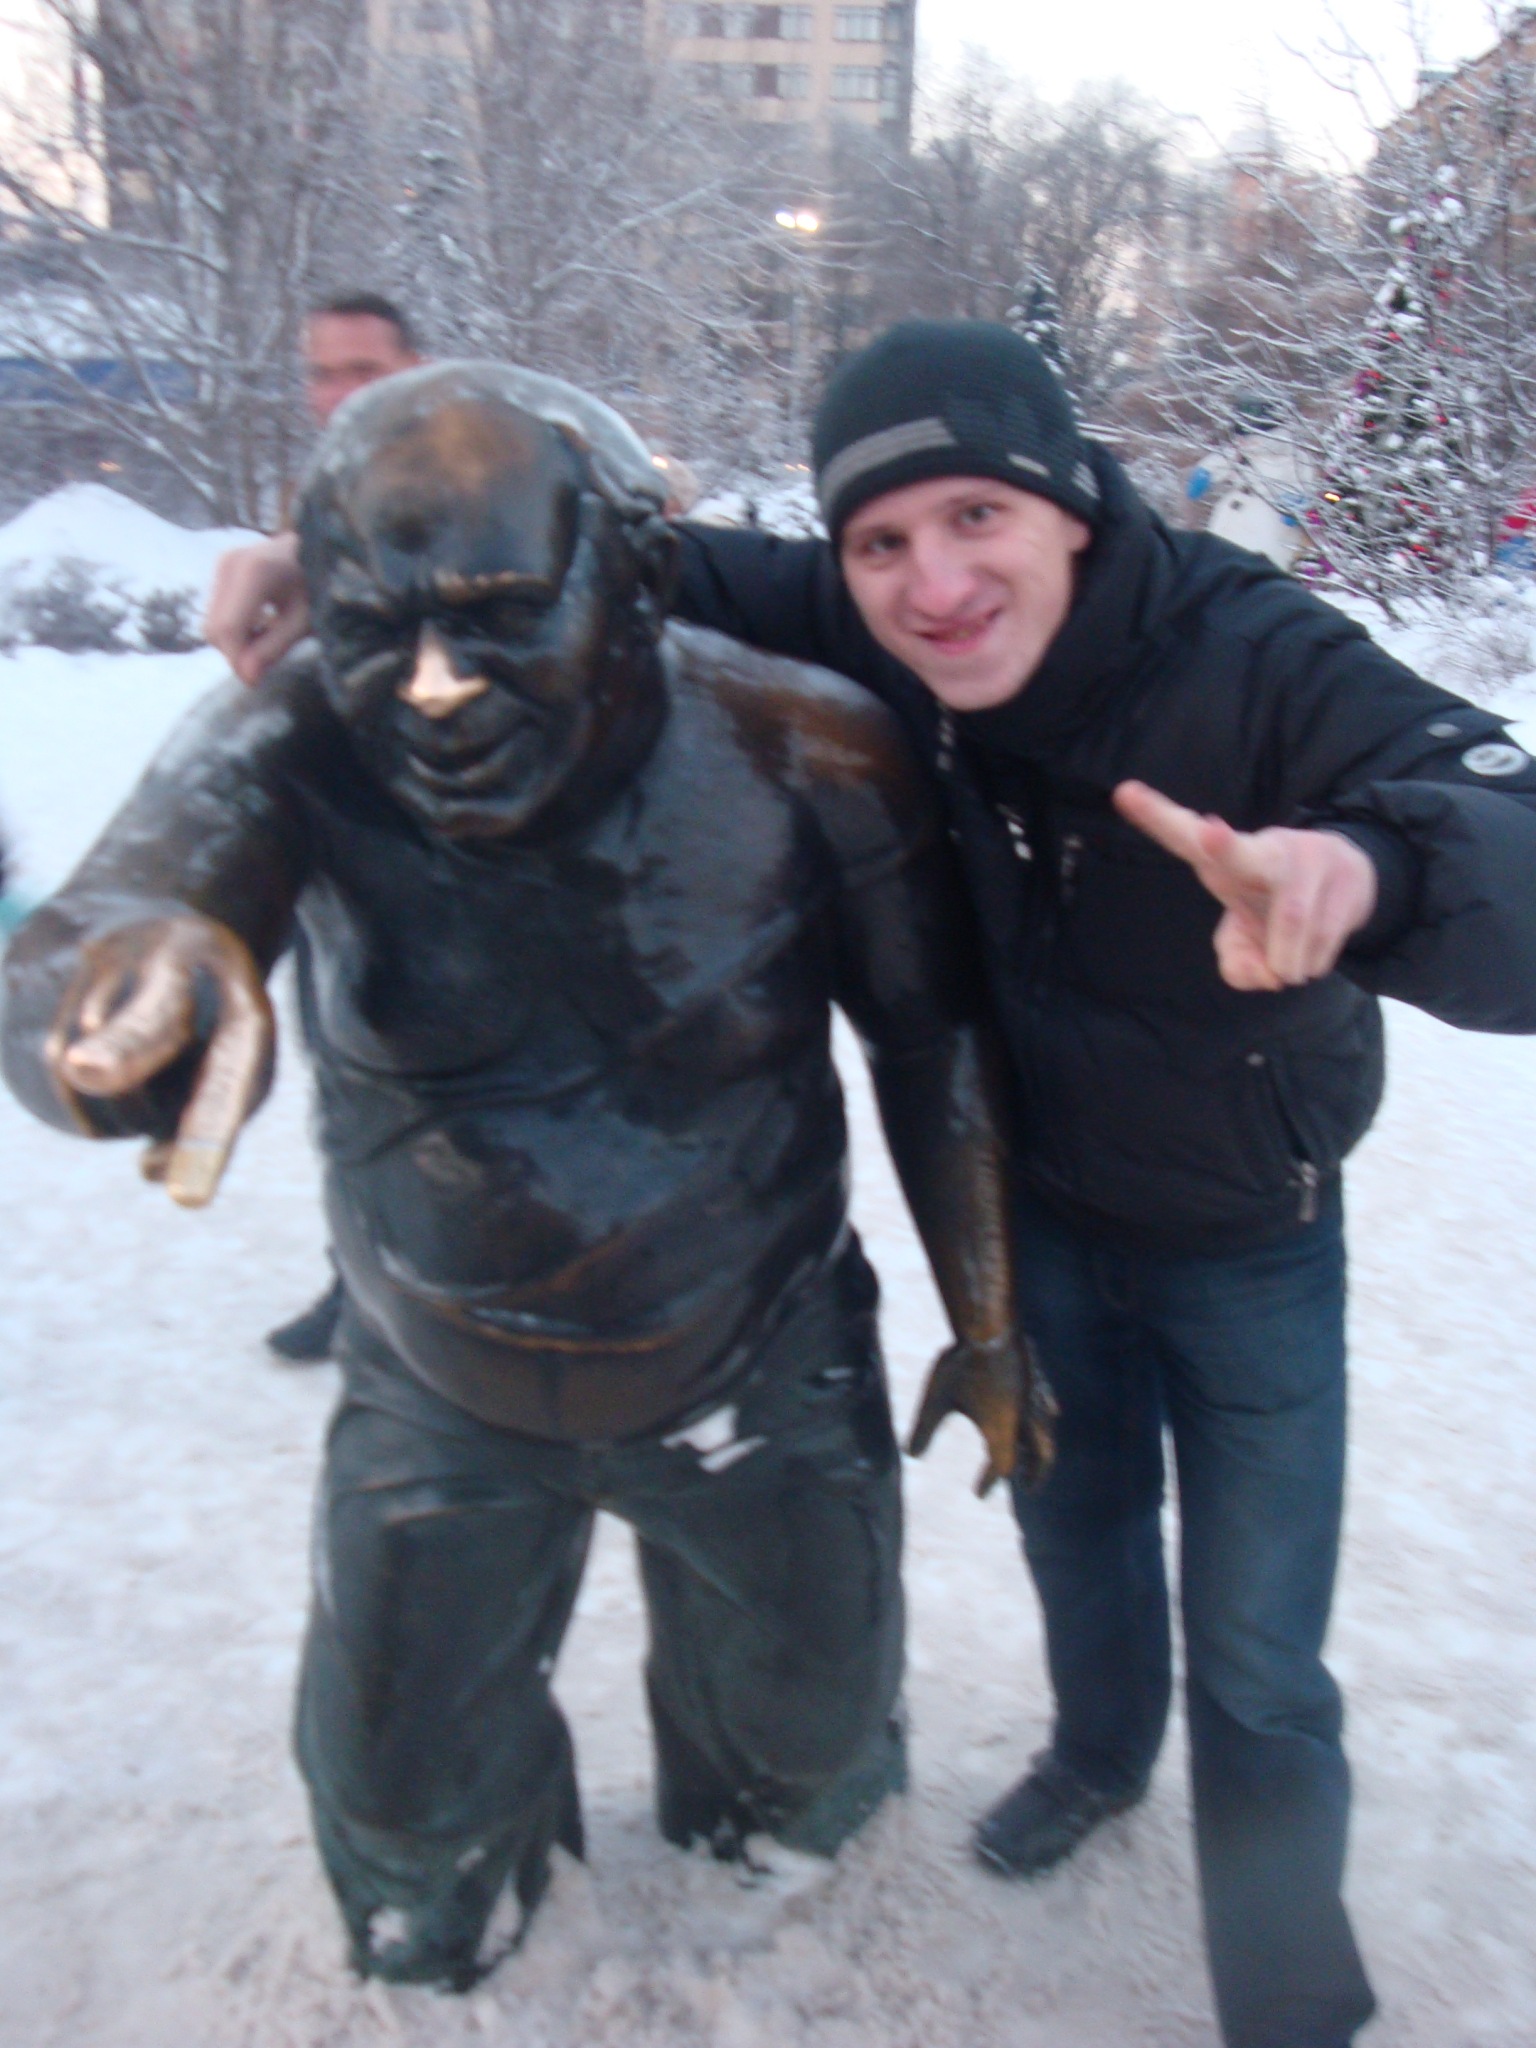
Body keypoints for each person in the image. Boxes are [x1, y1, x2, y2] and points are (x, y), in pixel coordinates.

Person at [203, 320, 1536, 2048]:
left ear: (1073, 508)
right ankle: (1094, 1757)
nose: (936, 582)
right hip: (1048, 1217)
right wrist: (321, 552)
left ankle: (1288, 1990)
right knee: (1075, 1532)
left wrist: (1365, 866)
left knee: (1259, 1647)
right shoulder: (875, 628)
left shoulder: (1252, 652)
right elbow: (585, 538)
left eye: (980, 516)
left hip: (1244, 1236)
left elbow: (1502, 820)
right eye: (882, 539)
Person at [6, 362, 1051, 1992]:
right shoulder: (297, 737)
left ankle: (763, 1878)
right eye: (376, 625)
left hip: (760, 1358)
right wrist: (117, 1001)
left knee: (805, 1764)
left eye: (501, 617)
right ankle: (459, 1910)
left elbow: (934, 1043)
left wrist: (987, 1321)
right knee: (401, 1818)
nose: (431, 687)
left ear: (637, 580)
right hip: (440, 1385)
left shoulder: (813, 755)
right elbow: (114, 918)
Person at [261, 291, 426, 1362]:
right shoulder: (317, 501)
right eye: (322, 372)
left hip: (447, 853)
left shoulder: (467, 487)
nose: (338, 394)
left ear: (413, 369)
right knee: (342, 1081)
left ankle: (441, 1304)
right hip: (334, 840)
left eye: (362, 369)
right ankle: (358, 1283)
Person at [1187, 394, 1315, 573]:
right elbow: (1220, 462)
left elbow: (1303, 483)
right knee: (1217, 558)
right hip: (1234, 511)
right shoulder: (1240, 454)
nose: (1242, 439)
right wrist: (1205, 472)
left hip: (1268, 515)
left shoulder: (1294, 458)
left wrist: (1295, 501)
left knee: (1257, 562)